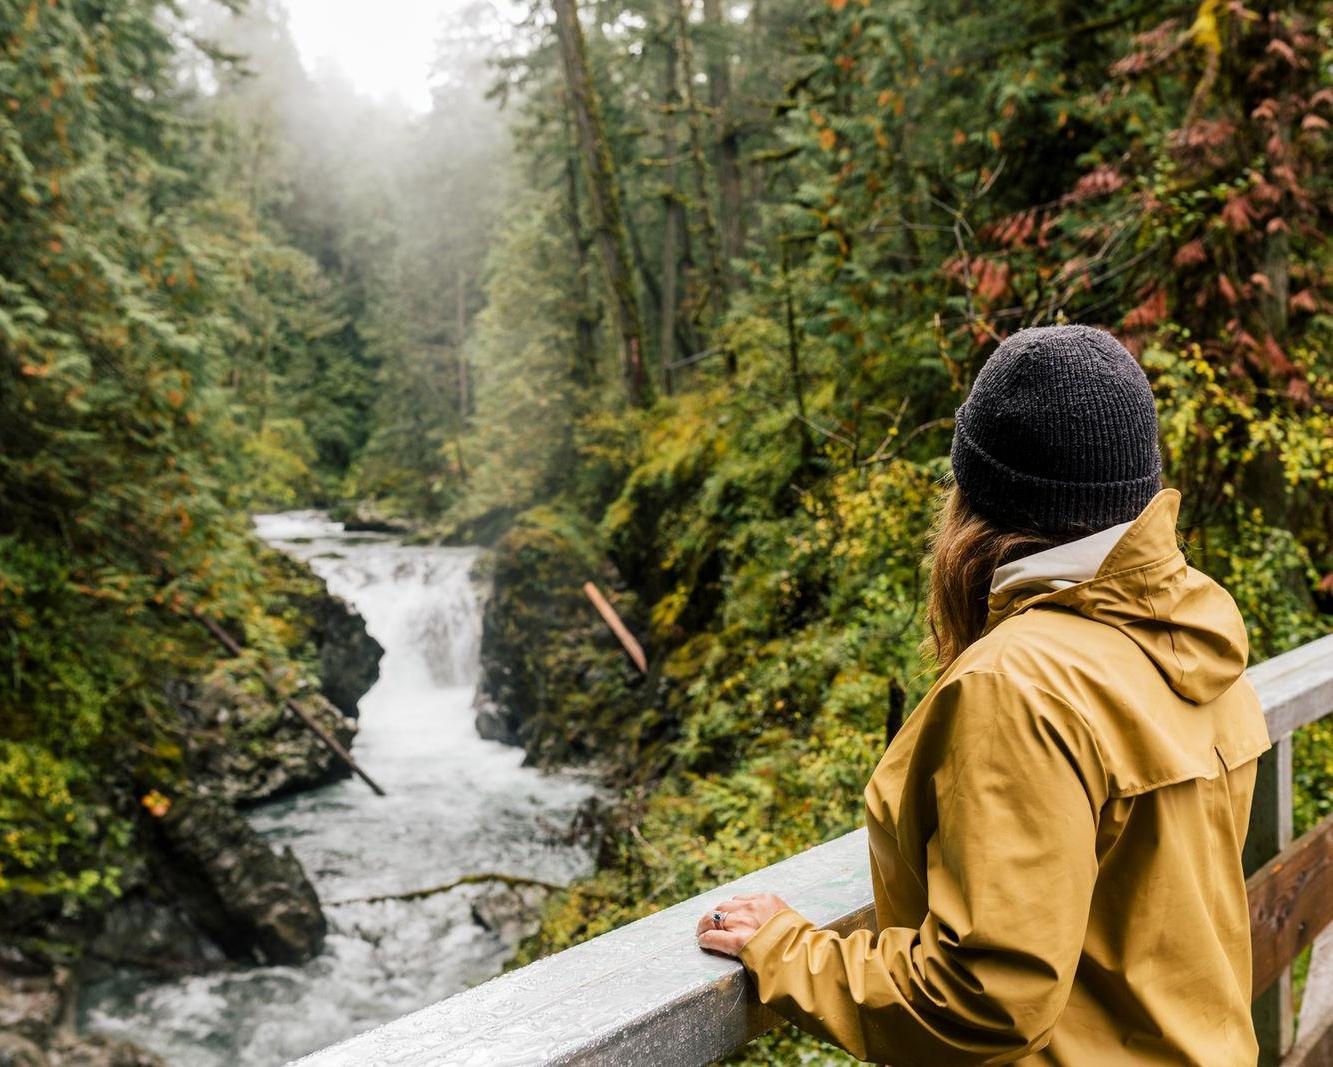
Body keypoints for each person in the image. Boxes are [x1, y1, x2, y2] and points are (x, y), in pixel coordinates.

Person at [696, 325, 1270, 1065]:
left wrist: (785, 950)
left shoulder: (1016, 685)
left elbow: (983, 995)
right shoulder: (1193, 630)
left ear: (979, 492)